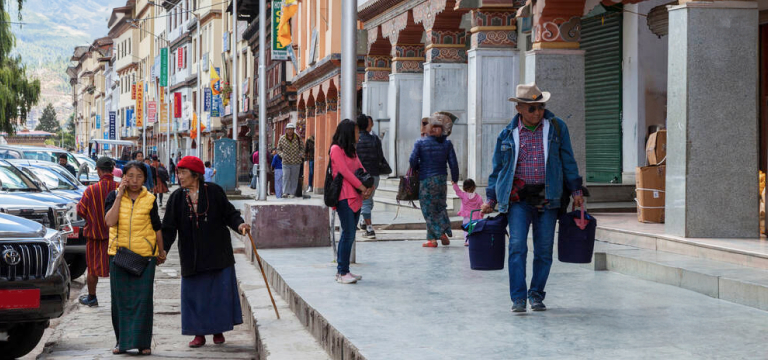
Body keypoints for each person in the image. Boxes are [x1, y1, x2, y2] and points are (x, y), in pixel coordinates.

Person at [482, 83, 584, 313]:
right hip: (519, 200)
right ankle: (518, 298)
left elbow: (568, 161)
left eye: (540, 107)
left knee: (544, 249)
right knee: (517, 246)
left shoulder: (556, 128)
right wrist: (490, 199)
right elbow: (498, 170)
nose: (537, 112)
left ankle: (536, 294)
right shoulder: (507, 135)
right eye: (531, 108)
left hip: (549, 198)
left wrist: (577, 192)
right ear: (518, 108)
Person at [162, 156, 250, 348]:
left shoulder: (214, 192)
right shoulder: (177, 198)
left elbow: (230, 214)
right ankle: (199, 334)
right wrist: (163, 250)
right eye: (179, 172)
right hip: (191, 256)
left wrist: (240, 224)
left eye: (183, 172)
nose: (180, 176)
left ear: (196, 175)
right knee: (194, 296)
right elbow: (168, 227)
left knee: (217, 295)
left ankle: (218, 330)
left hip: (217, 253)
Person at [104, 161, 167, 355]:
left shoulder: (149, 199)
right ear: (123, 177)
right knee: (120, 301)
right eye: (130, 176)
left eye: (139, 176)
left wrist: (161, 251)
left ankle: (143, 344)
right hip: (119, 255)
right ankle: (121, 342)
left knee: (143, 301)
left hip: (145, 257)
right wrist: (119, 195)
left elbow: (156, 226)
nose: (134, 180)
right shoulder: (113, 195)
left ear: (145, 179)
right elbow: (109, 221)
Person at [329, 119, 372, 284]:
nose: (358, 134)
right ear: (348, 132)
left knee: (350, 234)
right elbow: (344, 172)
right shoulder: (335, 149)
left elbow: (361, 168)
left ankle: (345, 270)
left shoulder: (351, 151)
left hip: (356, 195)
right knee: (347, 234)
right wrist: (362, 187)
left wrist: (369, 187)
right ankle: (341, 272)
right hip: (344, 196)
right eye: (355, 131)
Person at [409, 113, 459, 248]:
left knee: (427, 209)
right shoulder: (447, 144)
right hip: (441, 179)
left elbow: (412, 161)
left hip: (426, 179)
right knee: (440, 206)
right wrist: (455, 179)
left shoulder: (420, 142)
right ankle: (432, 239)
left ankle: (440, 232)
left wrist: (419, 167)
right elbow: (453, 163)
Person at [76, 157, 119, 307]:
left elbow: (81, 210)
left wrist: (93, 217)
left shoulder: (91, 190)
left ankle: (92, 297)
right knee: (117, 268)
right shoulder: (120, 188)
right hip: (116, 236)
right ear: (112, 170)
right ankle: (118, 299)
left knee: (92, 269)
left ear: (99, 171)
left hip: (95, 235)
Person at [355, 114, 385, 239]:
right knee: (368, 200)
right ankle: (366, 224)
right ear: (368, 125)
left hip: (360, 176)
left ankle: (367, 226)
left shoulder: (355, 140)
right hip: (373, 175)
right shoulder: (375, 139)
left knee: (366, 201)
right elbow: (380, 157)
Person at [452, 179, 484, 246]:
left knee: (466, 229)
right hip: (475, 217)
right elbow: (482, 208)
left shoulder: (463, 195)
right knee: (474, 229)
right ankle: (473, 240)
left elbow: (457, 191)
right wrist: (481, 215)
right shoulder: (479, 197)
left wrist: (454, 184)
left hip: (466, 216)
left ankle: (467, 241)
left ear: (464, 187)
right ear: (474, 187)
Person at [277, 123, 304, 198]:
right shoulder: (282, 138)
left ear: (293, 130)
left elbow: (302, 148)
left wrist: (300, 154)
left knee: (294, 178)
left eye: (291, 129)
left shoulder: (298, 138)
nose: (290, 131)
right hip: (286, 162)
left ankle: (292, 193)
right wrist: (282, 155)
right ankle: (285, 192)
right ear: (286, 130)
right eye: (289, 129)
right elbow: (278, 149)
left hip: (296, 162)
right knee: (285, 177)